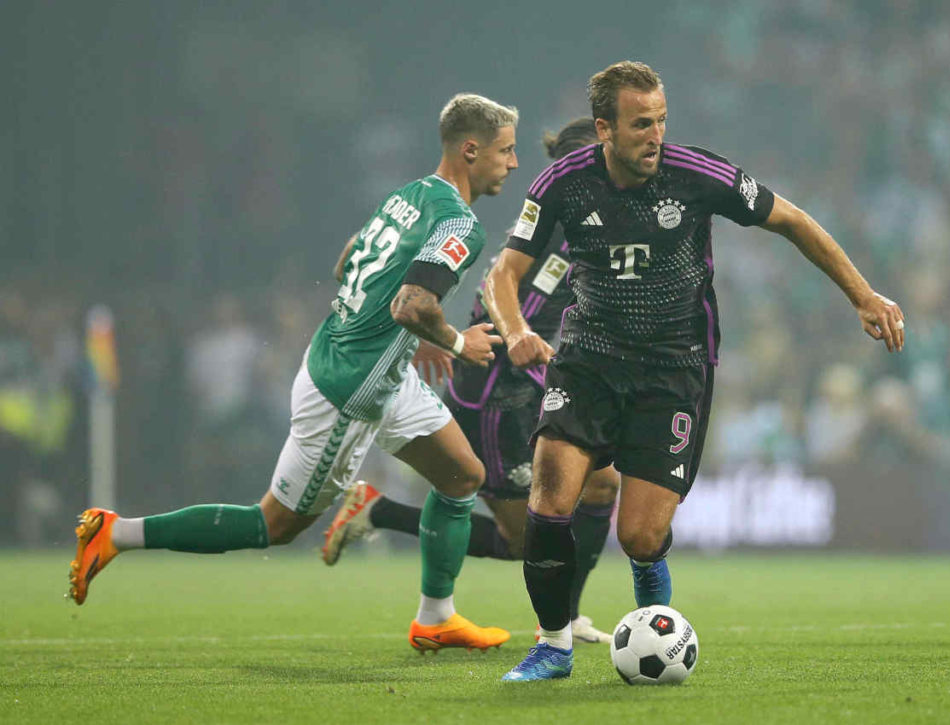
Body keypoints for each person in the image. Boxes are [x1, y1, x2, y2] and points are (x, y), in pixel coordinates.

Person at [487, 61, 906, 681]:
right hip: (588, 361)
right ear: (603, 128)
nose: (654, 135)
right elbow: (504, 272)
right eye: (640, 124)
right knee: (549, 501)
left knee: (640, 536)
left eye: (660, 120)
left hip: (673, 369)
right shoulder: (561, 184)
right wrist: (517, 330)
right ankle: (553, 646)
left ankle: (652, 611)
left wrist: (863, 296)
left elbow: (791, 220)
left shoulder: (696, 174)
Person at [69, 93, 522, 653]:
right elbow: (411, 303)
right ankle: (114, 533)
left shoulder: (410, 195)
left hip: (371, 366)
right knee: (273, 525)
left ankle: (436, 618)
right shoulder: (460, 222)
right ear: (471, 150)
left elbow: (348, 260)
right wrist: (453, 340)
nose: (513, 162)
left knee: (462, 477)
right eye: (506, 150)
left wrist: (411, 334)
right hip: (350, 388)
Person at [321, 119, 618, 645]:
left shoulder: (574, 228)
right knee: (523, 540)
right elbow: (509, 317)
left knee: (603, 483)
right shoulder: (551, 232)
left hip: (527, 390)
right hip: (497, 398)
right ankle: (379, 511)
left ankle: (568, 614)